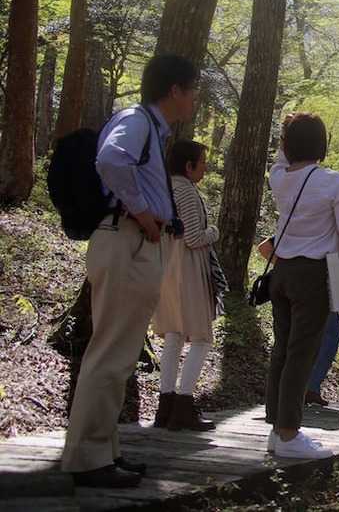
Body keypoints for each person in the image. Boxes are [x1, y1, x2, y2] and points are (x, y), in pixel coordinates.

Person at [61, 53, 198, 488]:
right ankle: (87, 458)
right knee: (111, 352)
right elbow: (111, 160)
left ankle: (104, 450)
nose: (195, 97)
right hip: (126, 240)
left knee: (118, 353)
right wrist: (140, 212)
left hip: (135, 243)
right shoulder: (137, 121)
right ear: (174, 89)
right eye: (192, 88)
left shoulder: (152, 130)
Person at [264, 112, 339, 459]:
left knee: (282, 351)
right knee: (302, 354)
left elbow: (279, 160)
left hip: (282, 271)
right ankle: (289, 434)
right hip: (313, 275)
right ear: (322, 143)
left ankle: (276, 430)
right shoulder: (332, 181)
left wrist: (284, 134)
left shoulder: (279, 177)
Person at [152, 140, 223, 432]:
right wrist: (214, 232)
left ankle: (165, 404)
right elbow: (193, 237)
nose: (205, 168)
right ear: (188, 165)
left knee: (173, 335)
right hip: (189, 269)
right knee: (201, 338)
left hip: (165, 266)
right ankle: (183, 403)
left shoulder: (163, 187)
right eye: (202, 163)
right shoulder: (187, 193)